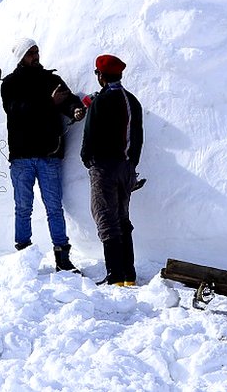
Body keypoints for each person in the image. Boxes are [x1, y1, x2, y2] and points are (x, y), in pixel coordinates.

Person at [1, 38, 86, 271]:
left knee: (54, 207)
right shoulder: (10, 83)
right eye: (30, 53)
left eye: (36, 51)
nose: (35, 56)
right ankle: (24, 256)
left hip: (50, 154)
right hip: (22, 156)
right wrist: (49, 103)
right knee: (23, 207)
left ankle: (62, 257)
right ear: (21, 57)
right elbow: (17, 110)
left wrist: (74, 109)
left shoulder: (51, 79)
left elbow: (66, 99)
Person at [81, 54, 144, 286]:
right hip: (126, 167)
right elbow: (138, 137)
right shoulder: (132, 101)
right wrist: (132, 163)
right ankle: (129, 274)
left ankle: (114, 275)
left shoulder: (101, 101)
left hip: (104, 168)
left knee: (106, 218)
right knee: (122, 217)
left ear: (101, 76)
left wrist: (87, 159)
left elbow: (90, 134)